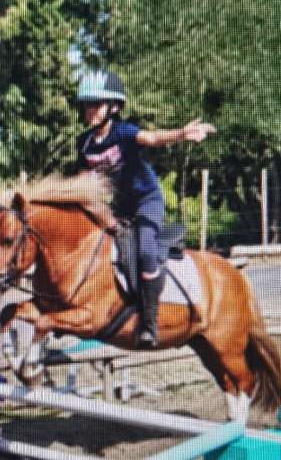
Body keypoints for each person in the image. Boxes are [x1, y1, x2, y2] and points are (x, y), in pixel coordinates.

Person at [75, 70, 216, 348]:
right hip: (117, 208)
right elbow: (85, 185)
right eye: (86, 104)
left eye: (95, 104)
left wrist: (181, 134)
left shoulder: (123, 132)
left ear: (113, 107)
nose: (88, 110)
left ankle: (149, 323)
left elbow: (151, 139)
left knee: (145, 250)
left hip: (146, 201)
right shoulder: (85, 144)